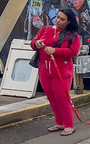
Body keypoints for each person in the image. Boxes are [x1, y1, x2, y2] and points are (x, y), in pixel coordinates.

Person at [30, 8, 82, 136]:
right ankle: (59, 123)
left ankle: (69, 125)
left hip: (62, 70)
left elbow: (73, 52)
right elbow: (33, 43)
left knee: (62, 97)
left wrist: (55, 51)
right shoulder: (45, 29)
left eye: (62, 19)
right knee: (52, 98)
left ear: (69, 22)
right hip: (44, 70)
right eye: (57, 17)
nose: (58, 20)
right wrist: (36, 44)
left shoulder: (72, 35)